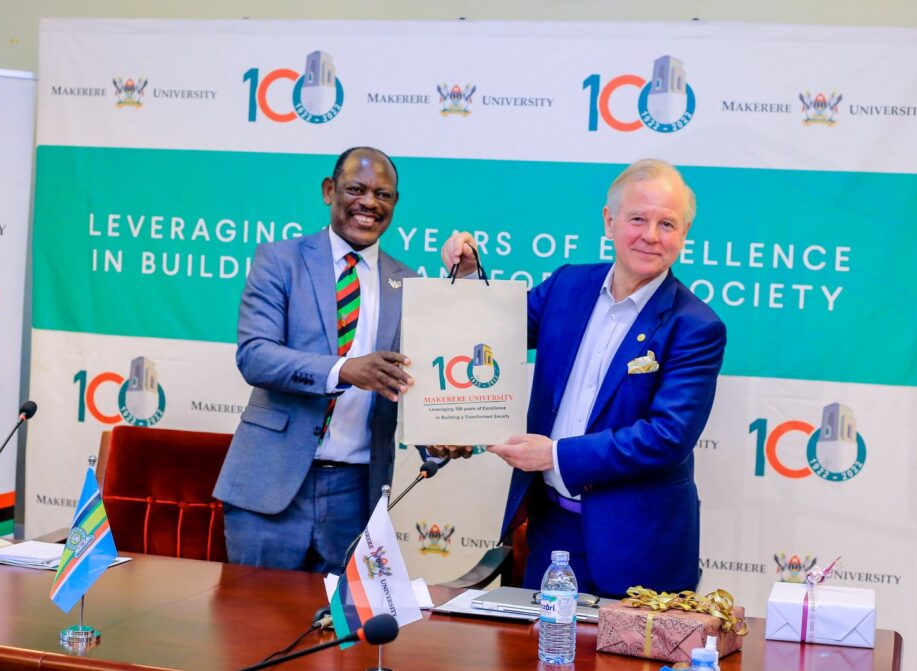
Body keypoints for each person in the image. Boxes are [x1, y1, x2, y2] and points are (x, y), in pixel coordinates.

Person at [437, 159, 726, 597]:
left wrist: (555, 455)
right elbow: (492, 337)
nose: (651, 235)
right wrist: (469, 278)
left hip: (640, 546)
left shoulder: (696, 326)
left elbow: (666, 437)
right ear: (609, 222)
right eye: (637, 219)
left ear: (684, 234)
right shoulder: (567, 286)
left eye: (667, 223)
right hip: (552, 533)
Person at [214, 147, 418, 573]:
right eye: (356, 189)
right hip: (269, 486)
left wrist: (446, 431)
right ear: (329, 191)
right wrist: (343, 369)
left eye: (383, 194)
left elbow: (420, 380)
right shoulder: (279, 260)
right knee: (252, 629)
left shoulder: (410, 284)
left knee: (340, 634)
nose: (369, 203)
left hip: (356, 493)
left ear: (394, 204)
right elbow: (255, 355)